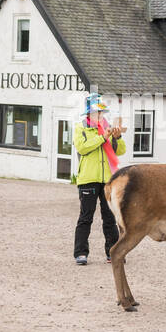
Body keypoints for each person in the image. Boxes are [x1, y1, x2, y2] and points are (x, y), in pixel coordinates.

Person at [73, 95, 126, 265]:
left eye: (101, 112)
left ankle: (113, 252)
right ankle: (81, 253)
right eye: (97, 112)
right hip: (88, 179)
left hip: (108, 180)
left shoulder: (108, 128)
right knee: (85, 217)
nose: (100, 115)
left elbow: (120, 151)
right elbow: (83, 148)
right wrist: (103, 138)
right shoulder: (80, 128)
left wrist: (117, 138)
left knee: (109, 218)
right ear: (89, 113)